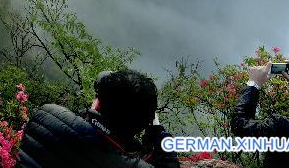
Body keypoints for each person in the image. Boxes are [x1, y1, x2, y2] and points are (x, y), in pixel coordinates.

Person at [15, 70, 180, 168]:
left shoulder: (45, 114)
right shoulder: (124, 163)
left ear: (98, 103)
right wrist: (160, 136)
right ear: (140, 127)